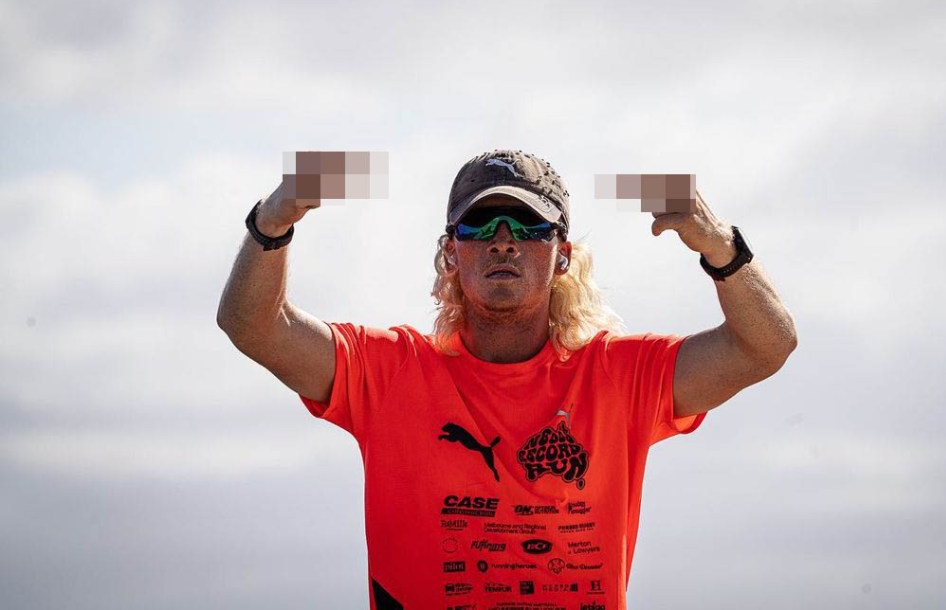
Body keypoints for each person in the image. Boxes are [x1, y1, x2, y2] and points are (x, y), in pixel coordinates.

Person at [217, 149, 797, 609]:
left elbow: (766, 345)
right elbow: (253, 326)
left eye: (527, 226)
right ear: (451, 254)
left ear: (562, 255)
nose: (502, 240)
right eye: (479, 226)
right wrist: (273, 221)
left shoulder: (619, 378)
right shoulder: (391, 372)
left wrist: (720, 246)